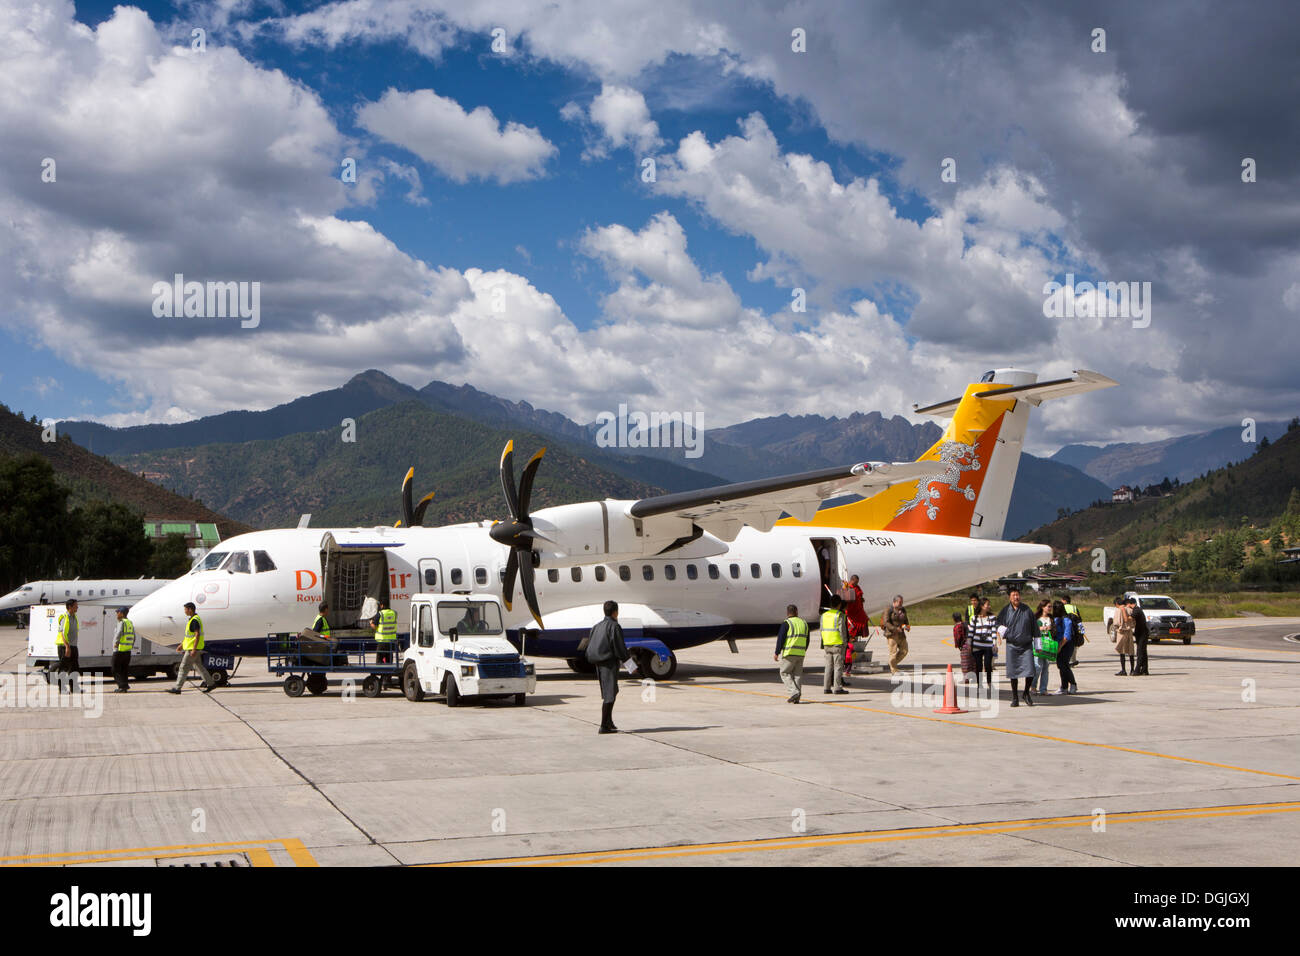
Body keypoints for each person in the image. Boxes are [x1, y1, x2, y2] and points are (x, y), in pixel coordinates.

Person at [586, 600, 630, 733]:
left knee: (611, 692)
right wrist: (631, 665)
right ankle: (603, 726)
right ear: (615, 612)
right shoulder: (614, 626)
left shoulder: (597, 626)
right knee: (609, 695)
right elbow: (620, 648)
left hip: (599, 664)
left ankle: (609, 721)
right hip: (609, 664)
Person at [995, 588, 1036, 706]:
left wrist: (1038, 644)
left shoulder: (1027, 609)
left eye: (1017, 595)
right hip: (1012, 645)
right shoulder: (1005, 611)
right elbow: (997, 624)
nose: (1016, 597)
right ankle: (1015, 697)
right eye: (1013, 595)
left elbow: (1034, 627)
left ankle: (1026, 693)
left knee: (1030, 671)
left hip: (1026, 645)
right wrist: (1006, 633)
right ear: (1009, 597)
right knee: (1013, 672)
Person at [168, 602, 216, 694]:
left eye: (185, 609)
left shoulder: (194, 620)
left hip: (192, 649)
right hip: (193, 648)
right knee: (199, 667)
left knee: (183, 667)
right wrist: (181, 645)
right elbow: (189, 636)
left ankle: (177, 688)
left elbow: (197, 634)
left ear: (190, 609)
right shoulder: (193, 619)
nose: (185, 611)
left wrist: (193, 649)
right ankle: (211, 684)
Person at [774, 604, 810, 703]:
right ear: (797, 612)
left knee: (784, 672)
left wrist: (777, 652)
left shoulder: (786, 623)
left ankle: (794, 692)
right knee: (798, 675)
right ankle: (797, 698)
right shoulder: (804, 623)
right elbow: (807, 639)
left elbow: (781, 639)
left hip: (789, 653)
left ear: (787, 613)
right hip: (801, 653)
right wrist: (803, 650)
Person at [820, 595, 849, 694]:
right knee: (838, 667)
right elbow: (842, 631)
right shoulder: (840, 615)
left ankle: (826, 688)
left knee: (828, 666)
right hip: (837, 644)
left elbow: (821, 630)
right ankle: (837, 687)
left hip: (827, 643)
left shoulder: (824, 615)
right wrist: (844, 643)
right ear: (839, 604)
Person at [969, 598, 996, 696]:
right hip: (976, 645)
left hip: (988, 645)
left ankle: (989, 682)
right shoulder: (974, 618)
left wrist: (995, 643)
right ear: (982, 606)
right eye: (987, 605)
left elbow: (993, 631)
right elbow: (970, 632)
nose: (989, 606)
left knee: (988, 665)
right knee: (978, 666)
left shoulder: (992, 617)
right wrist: (969, 644)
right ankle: (979, 684)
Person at [1052, 600, 1079, 694]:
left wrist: (1059, 647)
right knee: (1060, 665)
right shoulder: (1057, 619)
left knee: (1064, 665)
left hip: (1067, 645)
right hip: (1059, 644)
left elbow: (1066, 637)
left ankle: (1073, 684)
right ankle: (1064, 686)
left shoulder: (1067, 620)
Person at [54, 598, 80, 692]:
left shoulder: (74, 617)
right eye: (75, 606)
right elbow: (63, 633)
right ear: (70, 607)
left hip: (73, 646)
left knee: (74, 668)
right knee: (64, 668)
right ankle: (62, 689)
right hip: (64, 646)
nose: (77, 607)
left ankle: (74, 688)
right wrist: (67, 647)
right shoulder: (65, 617)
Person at [881, 594, 910, 675]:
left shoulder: (903, 609)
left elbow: (905, 620)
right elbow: (886, 622)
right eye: (900, 602)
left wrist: (907, 626)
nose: (901, 604)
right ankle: (894, 670)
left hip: (901, 634)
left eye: (902, 602)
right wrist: (895, 629)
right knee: (893, 653)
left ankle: (892, 663)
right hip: (892, 634)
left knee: (904, 651)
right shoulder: (889, 609)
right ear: (895, 602)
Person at [111, 607, 135, 693]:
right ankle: (125, 685)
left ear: (121, 613)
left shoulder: (121, 622)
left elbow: (118, 633)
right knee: (124, 669)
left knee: (115, 668)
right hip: (127, 650)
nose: (117, 614)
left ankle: (121, 686)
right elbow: (134, 636)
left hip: (119, 650)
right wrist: (130, 646)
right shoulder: (130, 623)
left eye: (117, 612)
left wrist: (115, 644)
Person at [1032, 599, 1054, 695]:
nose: (1050, 608)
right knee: (1037, 666)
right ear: (1042, 607)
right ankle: (1033, 686)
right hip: (1038, 643)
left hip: (1048, 643)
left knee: (1046, 667)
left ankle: (1043, 689)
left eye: (1050, 606)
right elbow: (1031, 630)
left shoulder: (1051, 618)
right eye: (1048, 606)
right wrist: (1042, 628)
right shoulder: (1037, 619)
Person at [1110, 596, 1135, 675]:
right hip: (1129, 632)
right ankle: (1132, 670)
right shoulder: (1130, 610)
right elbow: (1134, 622)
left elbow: (1116, 623)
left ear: (1117, 604)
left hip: (1121, 632)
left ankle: (1123, 670)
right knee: (1131, 651)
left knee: (1122, 651)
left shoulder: (1118, 610)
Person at [1128, 597, 1150, 675]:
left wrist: (1124, 614)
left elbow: (1130, 618)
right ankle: (1144, 670)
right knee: (1143, 652)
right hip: (1140, 633)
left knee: (1140, 652)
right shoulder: (1137, 609)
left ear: (1131, 604)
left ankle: (1137, 670)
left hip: (1142, 634)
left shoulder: (1137, 610)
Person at [372, 598, 398, 664]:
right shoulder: (394, 613)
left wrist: (371, 623)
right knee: (389, 659)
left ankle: (379, 672)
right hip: (391, 641)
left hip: (382, 641)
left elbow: (374, 626)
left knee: (379, 659)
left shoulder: (380, 614)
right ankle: (387, 674)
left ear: (382, 605)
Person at [953, 612, 973, 683]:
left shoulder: (958, 626)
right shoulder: (966, 624)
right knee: (972, 661)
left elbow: (958, 637)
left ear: (954, 619)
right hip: (972, 643)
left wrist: (958, 645)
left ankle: (966, 678)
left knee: (964, 662)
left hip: (964, 645)